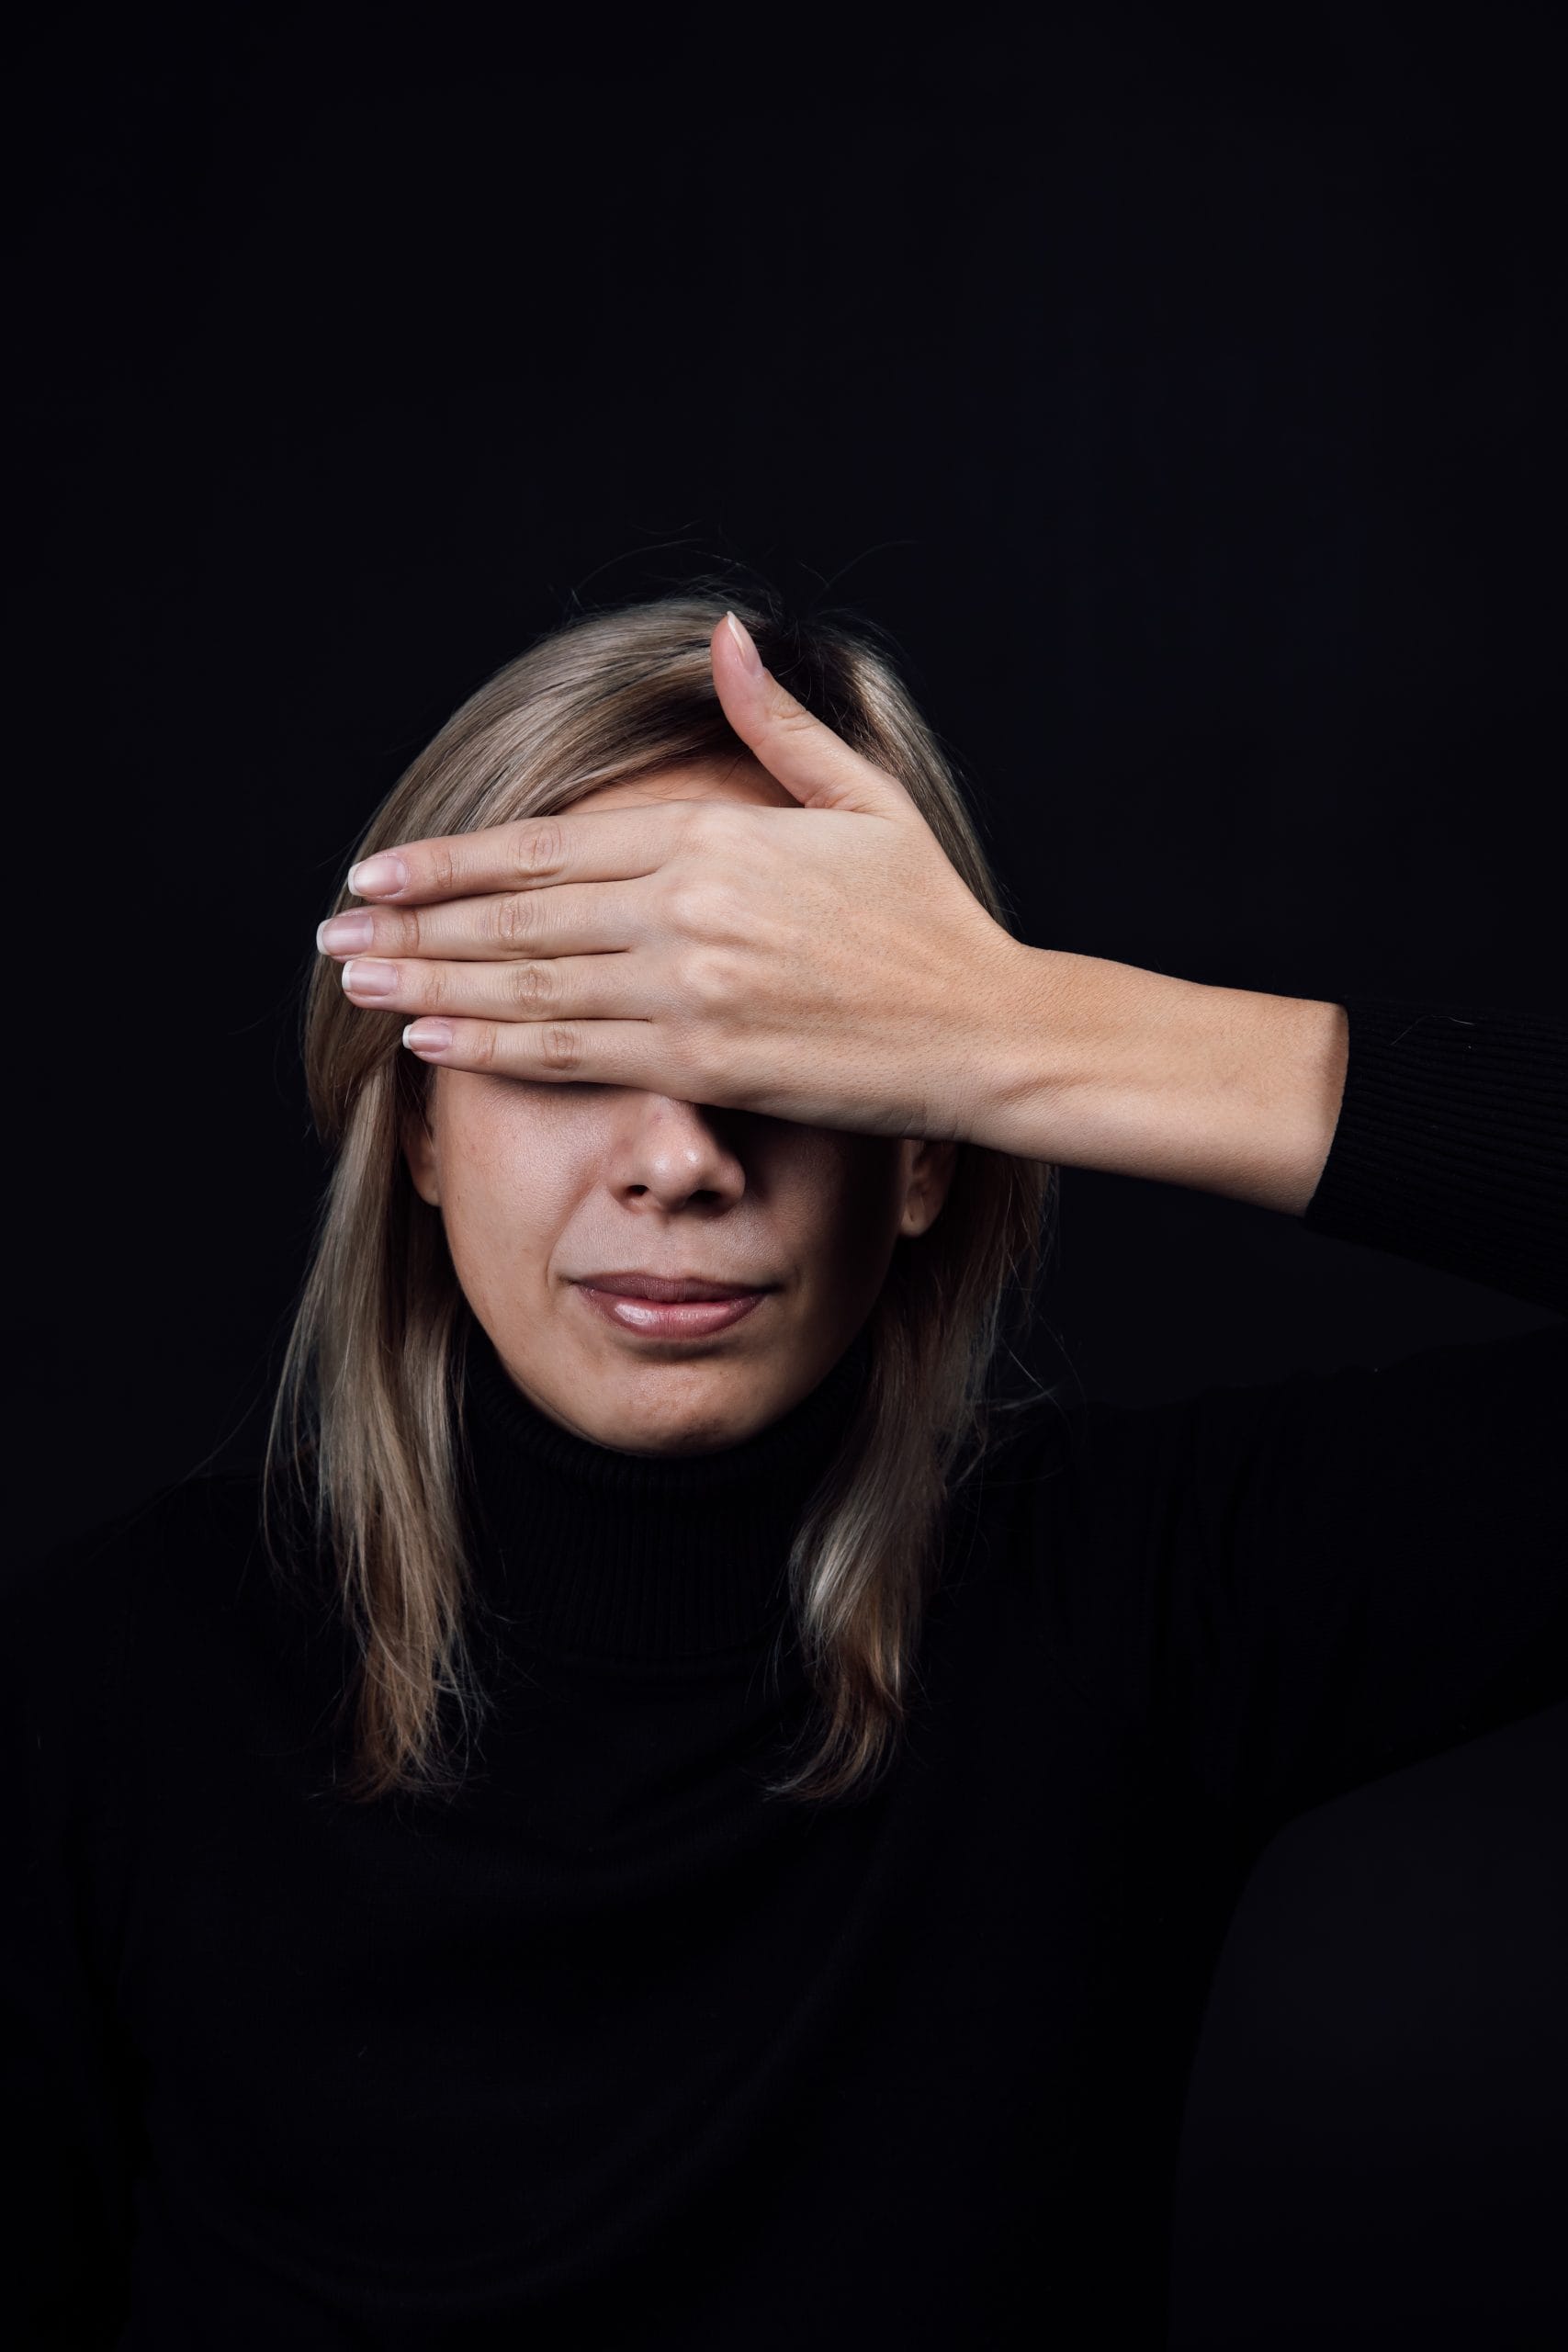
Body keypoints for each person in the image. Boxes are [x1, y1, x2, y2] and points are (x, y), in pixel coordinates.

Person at [9, 586, 1563, 2350]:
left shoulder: (1141, 1607)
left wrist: (1023, 1025)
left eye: (789, 1053)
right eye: (571, 1039)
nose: (680, 1158)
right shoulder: (108, 1688)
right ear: (419, 1127)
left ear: (924, 1151)